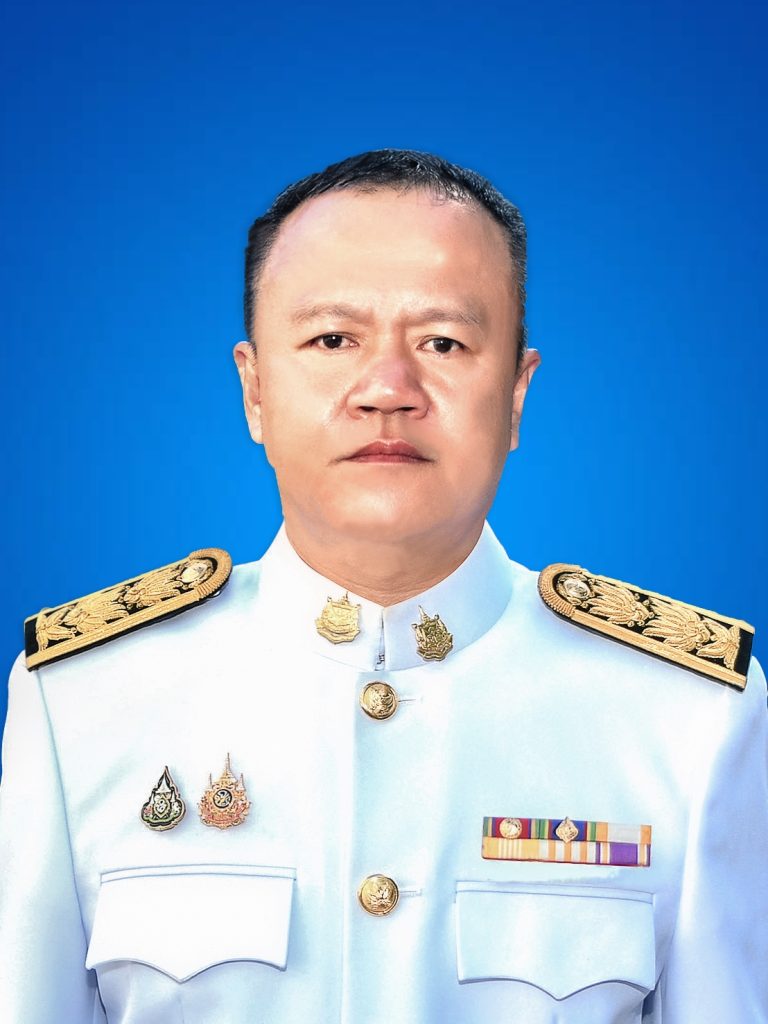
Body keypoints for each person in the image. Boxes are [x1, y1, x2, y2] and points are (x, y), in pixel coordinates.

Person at [0, 149, 766, 1024]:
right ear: (255, 389)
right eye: (333, 340)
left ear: (517, 394)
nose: (387, 390)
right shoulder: (83, 701)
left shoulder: (688, 718)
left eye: (443, 343)